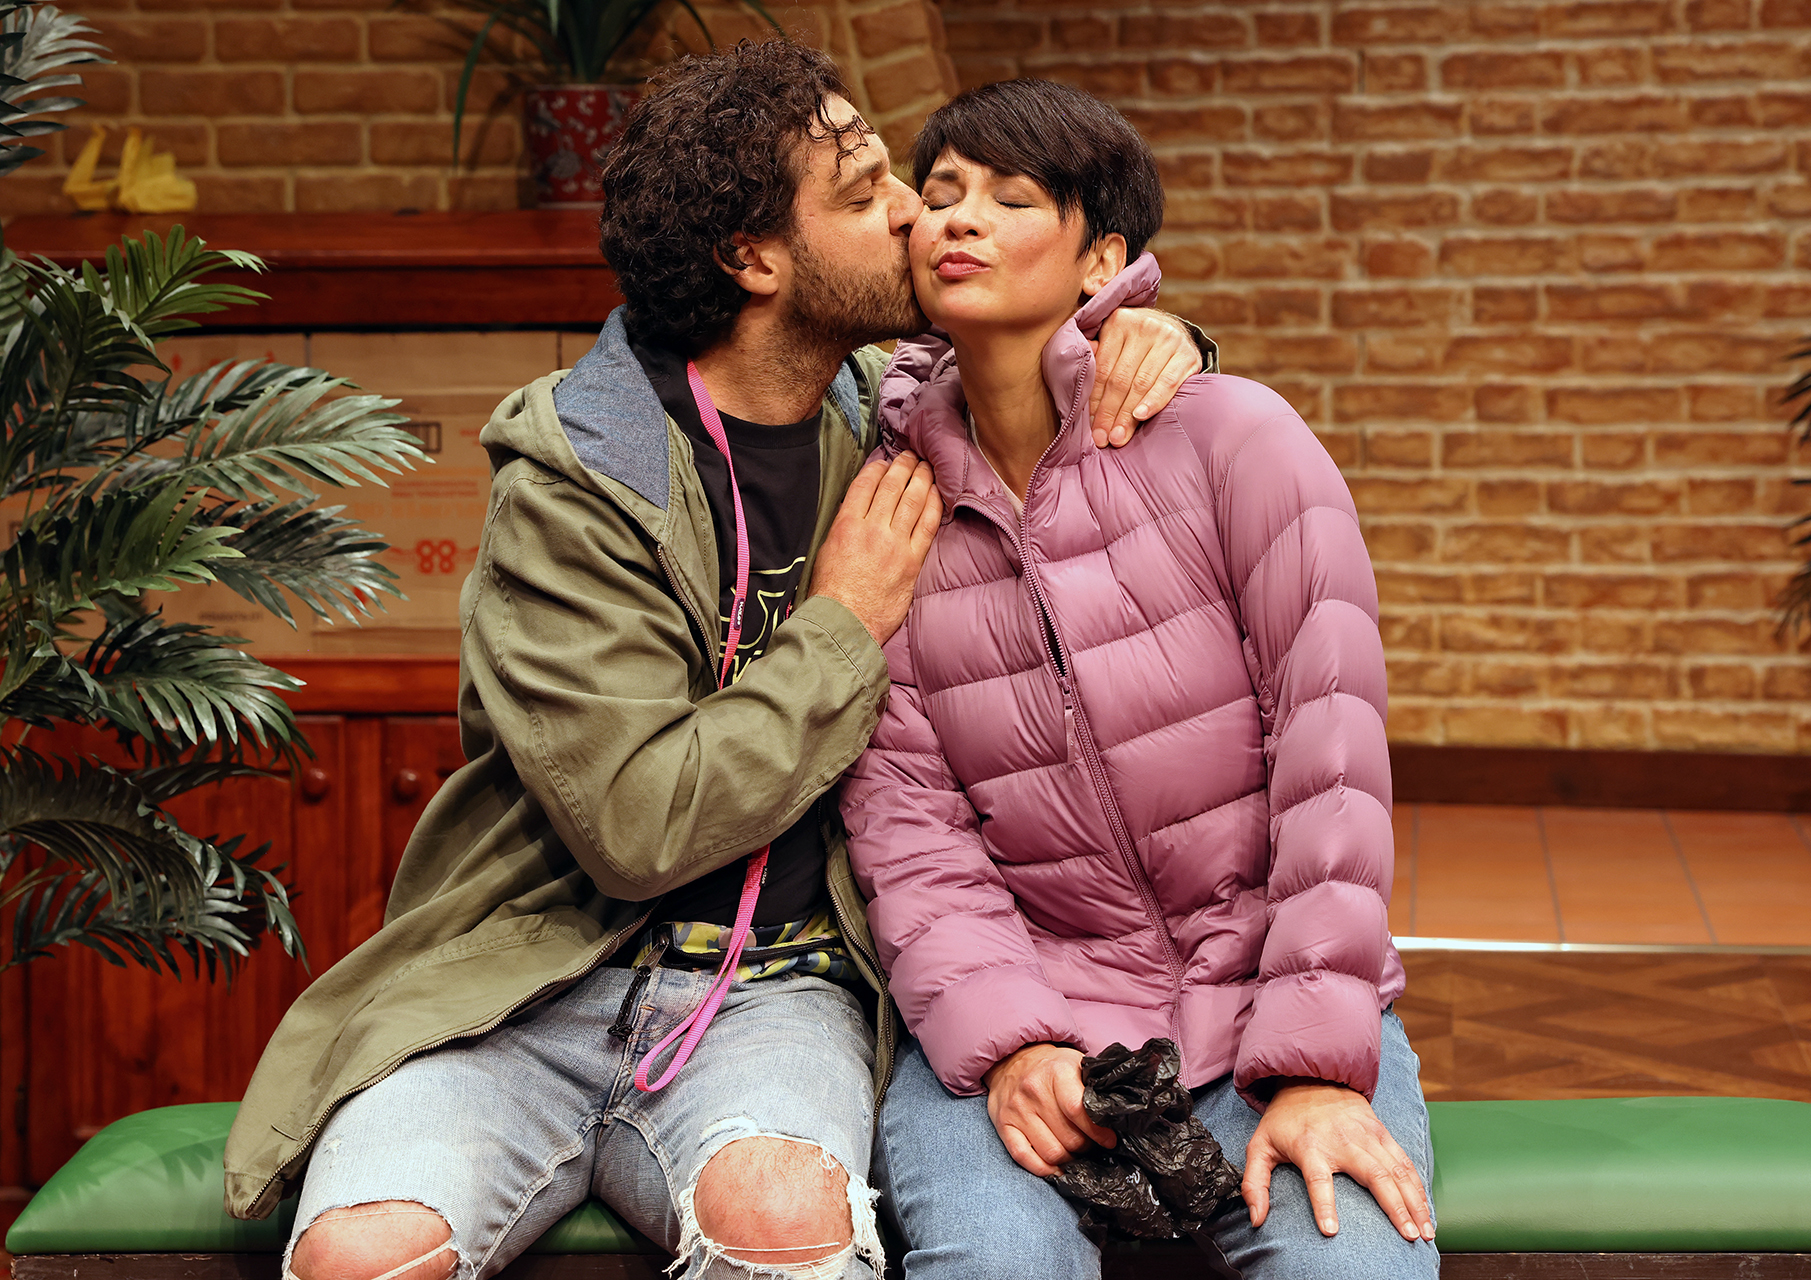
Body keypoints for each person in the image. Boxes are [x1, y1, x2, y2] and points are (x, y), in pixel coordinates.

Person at [221, 44, 1202, 1280]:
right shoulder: (578, 481)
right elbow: (639, 823)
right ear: (755, 259)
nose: (916, 211)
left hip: (782, 989)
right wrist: (842, 621)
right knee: (360, 1255)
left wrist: (1152, 336)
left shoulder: (894, 412)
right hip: (531, 979)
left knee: (785, 1224)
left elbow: (1045, 375)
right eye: (865, 195)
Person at [839, 77, 1439, 1280]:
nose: (961, 218)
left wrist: (1315, 1065)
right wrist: (1010, 1043)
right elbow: (906, 824)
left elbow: (1330, 766)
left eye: (1013, 199)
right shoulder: (891, 508)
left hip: (1267, 1002)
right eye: (942, 192)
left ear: (1102, 258)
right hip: (1031, 1025)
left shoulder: (1235, 439)